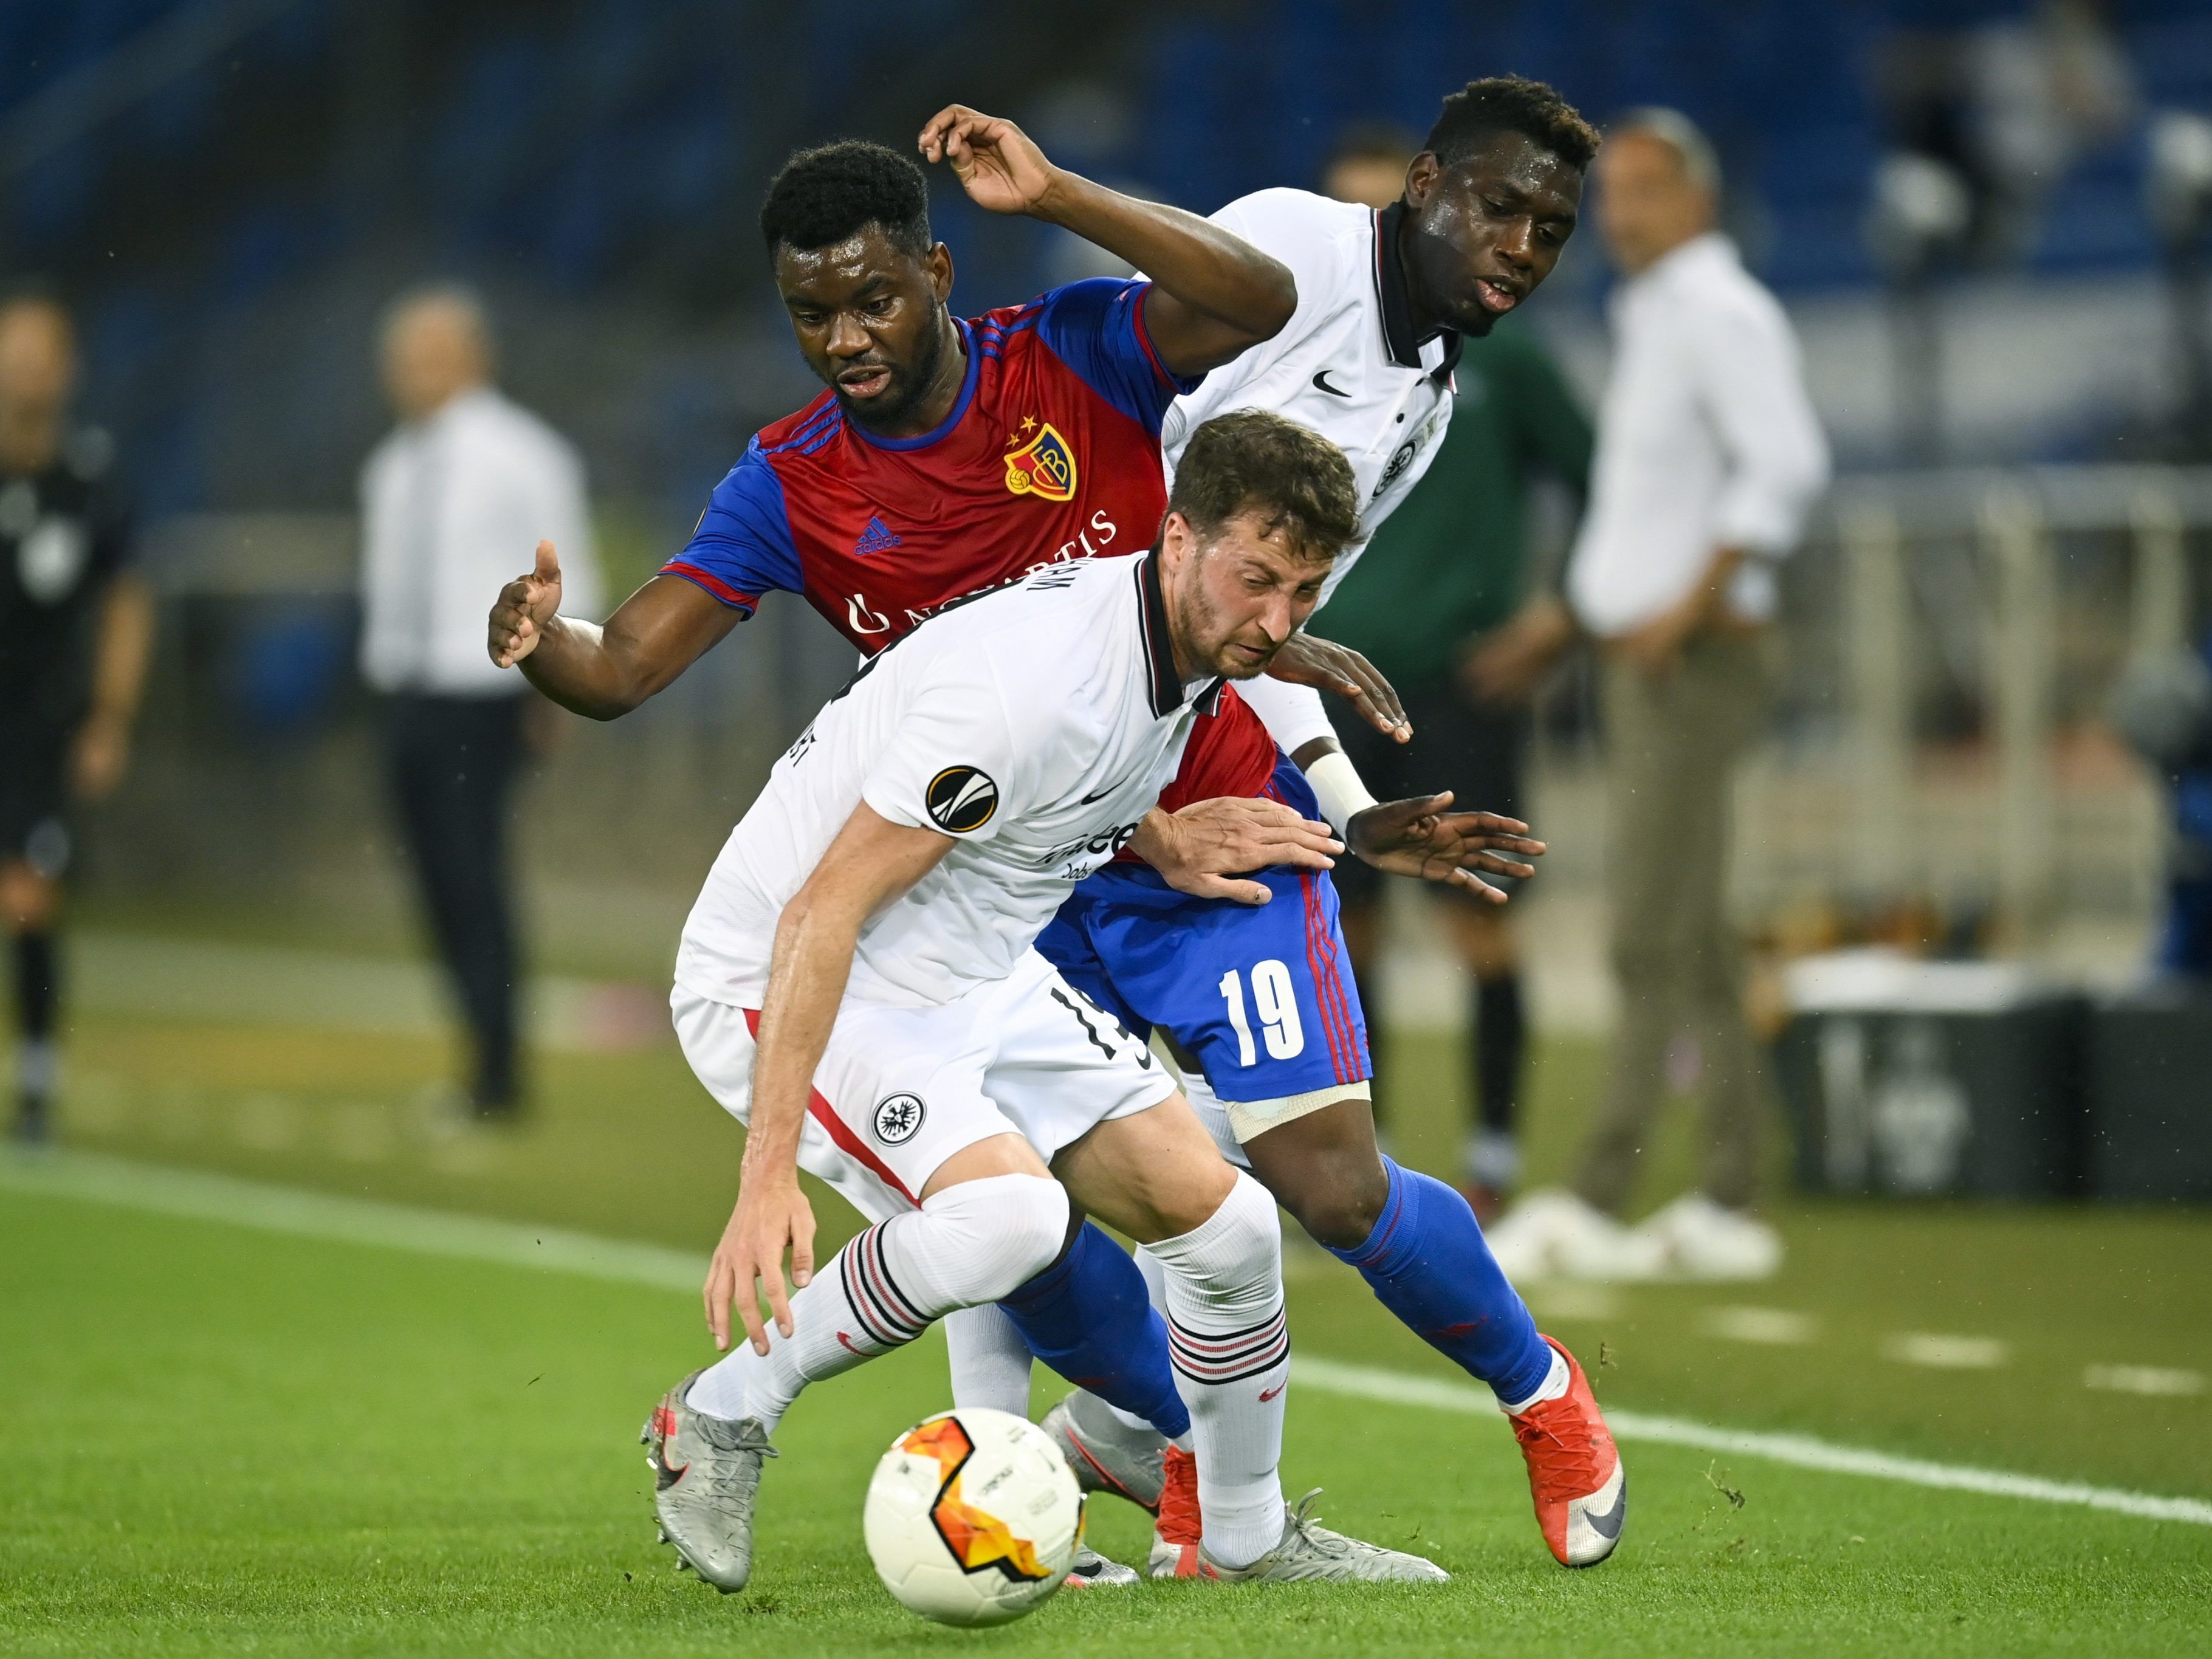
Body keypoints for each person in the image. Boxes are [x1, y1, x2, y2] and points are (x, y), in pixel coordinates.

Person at [487, 112, 1481, 1585]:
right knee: (1010, 1213)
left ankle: (1246, 1543)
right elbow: (810, 882)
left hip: (964, 950)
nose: (843, 335)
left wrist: (1218, 801)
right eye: (808, 312)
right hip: (796, 965)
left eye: (872, 297)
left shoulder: (1131, 526)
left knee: (1224, 1229)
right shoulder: (992, 657)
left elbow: (1254, 304)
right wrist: (767, 1177)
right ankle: (719, 1413)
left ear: (939, 274)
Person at [1035, 77, 1630, 1573]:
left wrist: (1348, 810)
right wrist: (1055, 193)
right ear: (1420, 182)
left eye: (1549, 230)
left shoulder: (1425, 398)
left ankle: (1544, 1398)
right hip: (1052, 755)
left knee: (1325, 1182)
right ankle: (1158, 1457)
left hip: (1215, 773)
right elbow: (1180, 327)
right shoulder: (1297, 247)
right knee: (1017, 1170)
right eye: (1494, 206)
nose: (1517, 245)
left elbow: (1275, 629)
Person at [1477, 110, 1830, 1282]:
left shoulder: (1721, 313)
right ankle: (1729, 1191)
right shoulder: (1663, 313)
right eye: (1610, 195)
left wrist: (1684, 605)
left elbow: (1787, 465)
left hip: (1691, 660)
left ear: (1698, 200)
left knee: (1648, 929)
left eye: (1642, 192)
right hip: (1645, 659)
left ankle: (1596, 1193)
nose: (1618, 216)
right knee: (1692, 934)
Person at [1314, 123, 1596, 1222]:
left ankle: (1490, 1160)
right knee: (1344, 936)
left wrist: (1558, 618)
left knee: (1480, 925)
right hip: (1331, 690)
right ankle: (1357, 1170)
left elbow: (1608, 478)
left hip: (1458, 686)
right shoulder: (1312, 344)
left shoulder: (1504, 357)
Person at [359, 286, 599, 1120]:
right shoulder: (392, 465)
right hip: (409, 689)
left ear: (471, 356)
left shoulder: (522, 454)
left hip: (482, 692)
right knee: (431, 877)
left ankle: (498, 1072)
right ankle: (477, 1053)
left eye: (429, 354)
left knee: (472, 873)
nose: (411, 373)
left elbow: (565, 573)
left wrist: (561, 686)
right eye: (404, 357)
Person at [0, 294, 152, 1145]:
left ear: (67, 371)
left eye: (37, 354)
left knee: (28, 899)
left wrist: (109, 716)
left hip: (40, 724)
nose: (23, 369)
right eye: (8, 352)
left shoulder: (92, 481)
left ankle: (34, 1079)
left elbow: (126, 603)